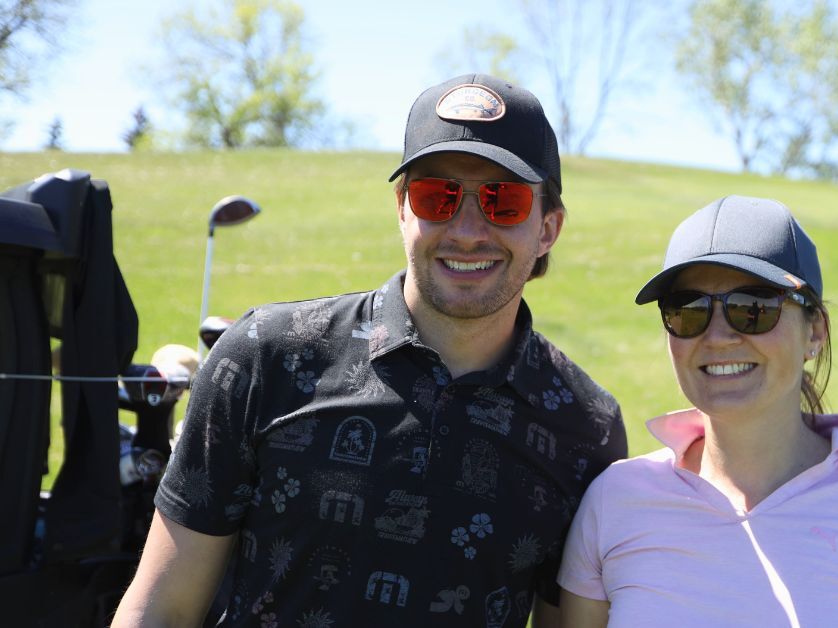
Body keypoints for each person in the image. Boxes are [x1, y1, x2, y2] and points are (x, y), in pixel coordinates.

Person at [113, 73, 627, 627]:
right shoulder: (266, 357)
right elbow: (160, 610)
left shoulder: (586, 426)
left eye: (504, 201)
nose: (466, 230)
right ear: (403, 207)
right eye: (437, 196)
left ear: (548, 228)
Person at [557, 196, 838, 627]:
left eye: (753, 308)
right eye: (688, 310)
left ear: (815, 331)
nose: (717, 337)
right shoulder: (613, 500)